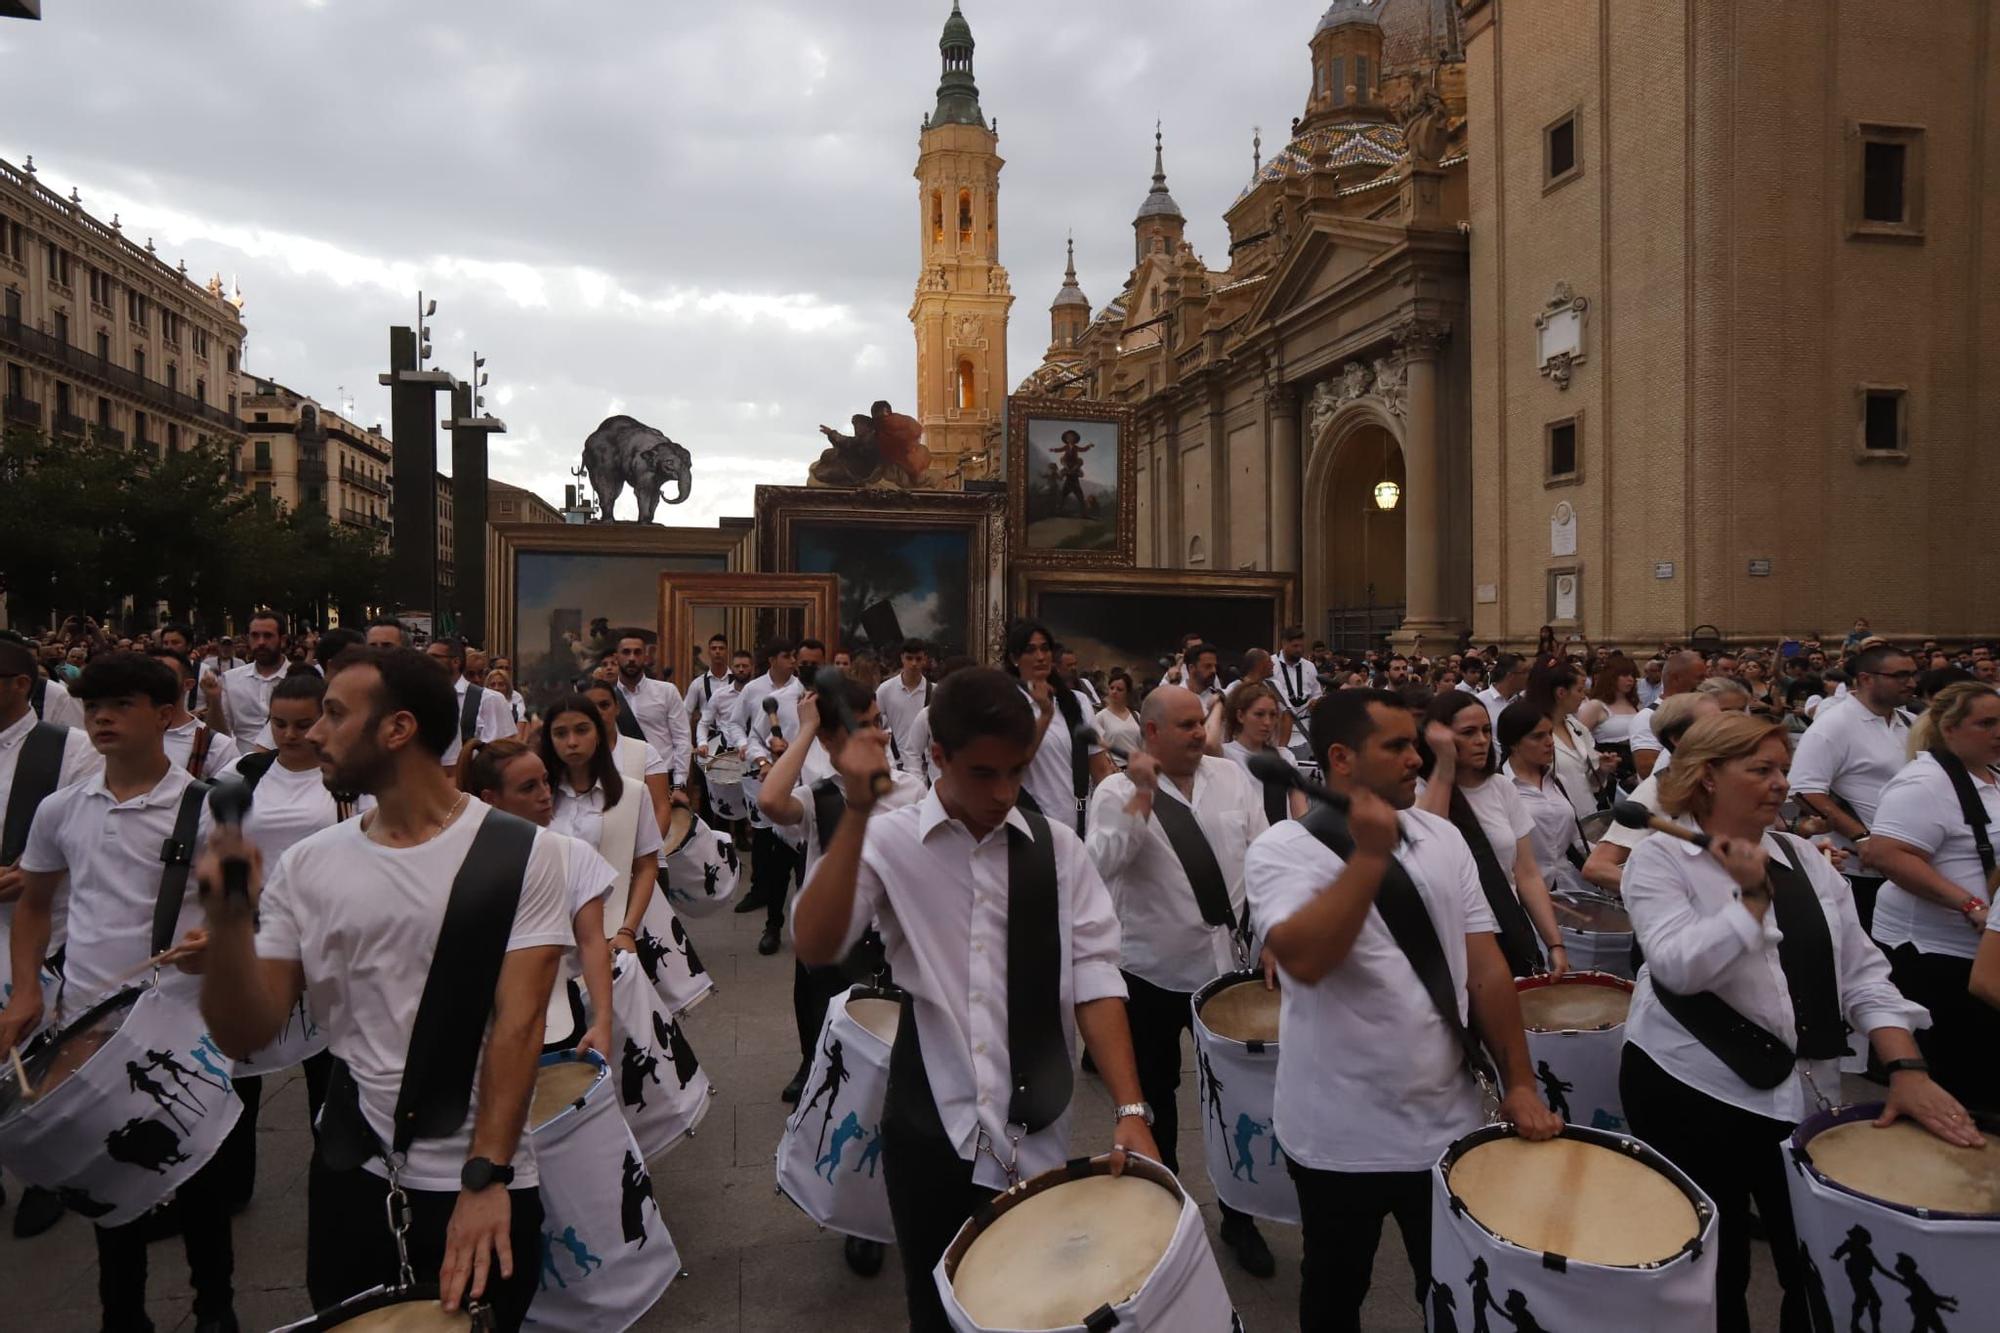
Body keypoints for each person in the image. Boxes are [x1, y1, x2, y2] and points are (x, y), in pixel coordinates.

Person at [194, 646, 570, 1331]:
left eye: (335, 714)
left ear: (397, 728)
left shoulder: (527, 852)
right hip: (350, 1168)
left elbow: (519, 1025)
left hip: (477, 1175)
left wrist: (486, 1178)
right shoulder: (309, 864)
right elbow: (246, 1032)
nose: (313, 732)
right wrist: (224, 925)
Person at [792, 667, 1158, 1333]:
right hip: (931, 1127)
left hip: (1037, 1125)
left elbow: (1097, 977)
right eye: (984, 773)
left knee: (1035, 1308)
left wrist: (1131, 1108)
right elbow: (816, 942)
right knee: (935, 1308)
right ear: (938, 756)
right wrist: (857, 806)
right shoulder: (892, 838)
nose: (1005, 791)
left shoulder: (1060, 850)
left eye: (1017, 771)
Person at [1617, 712, 1979, 1333]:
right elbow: (1678, 968)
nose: (1780, 783)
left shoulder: (1805, 861)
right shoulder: (1659, 861)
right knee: (1713, 1269)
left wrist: (1906, 1068)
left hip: (1804, 1094)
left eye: (1783, 769)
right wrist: (1750, 901)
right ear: (1706, 777)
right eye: (1760, 770)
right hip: (1692, 1087)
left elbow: (1862, 974)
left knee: (1811, 1264)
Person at [1245, 688, 1561, 1333]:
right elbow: (1305, 960)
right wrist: (1367, 858)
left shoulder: (1442, 838)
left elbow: (1486, 969)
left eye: (1416, 743)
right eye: (1396, 746)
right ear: (1340, 758)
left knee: (1451, 1290)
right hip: (1338, 1135)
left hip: (1446, 1123)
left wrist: (1520, 1083)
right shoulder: (1282, 850)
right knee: (1334, 1289)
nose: (1416, 758)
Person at [1, 651, 240, 1332]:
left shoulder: (206, 807)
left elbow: (249, 912)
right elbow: (37, 905)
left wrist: (213, 942)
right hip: (88, 1023)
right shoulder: (61, 808)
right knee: (109, 1177)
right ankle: (122, 1312)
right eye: (93, 705)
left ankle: (215, 1305)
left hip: (185, 1023)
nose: (102, 717)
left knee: (197, 1173)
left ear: (165, 715)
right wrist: (26, 993)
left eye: (121, 705)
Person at [1087, 684, 1277, 1275]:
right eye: (1187, 725)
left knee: (1233, 1100)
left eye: (1201, 722)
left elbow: (1267, 857)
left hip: (1229, 970)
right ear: (1151, 733)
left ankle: (1239, 1213)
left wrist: (1270, 936)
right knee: (1156, 1096)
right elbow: (1100, 864)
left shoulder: (1233, 779)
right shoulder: (1116, 791)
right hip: (1151, 971)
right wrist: (1143, 794)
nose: (1200, 733)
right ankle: (1165, 1204)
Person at [0, 635, 102, 1237]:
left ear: (20, 684)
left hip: (44, 923)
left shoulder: (68, 749)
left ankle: (46, 1174)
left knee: (38, 1055)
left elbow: (85, 824)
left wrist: (37, 872)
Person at [1861, 682, 2000, 1113]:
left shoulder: (1991, 776)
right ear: (1950, 729)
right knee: (1959, 1078)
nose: (1999, 731)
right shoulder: (1925, 782)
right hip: (1935, 956)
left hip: (1979, 952)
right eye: (1987, 723)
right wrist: (1969, 903)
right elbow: (1885, 853)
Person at [461, 739, 617, 1064]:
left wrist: (603, 1019)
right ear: (491, 799)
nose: (545, 794)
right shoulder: (459, 858)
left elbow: (592, 942)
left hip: (557, 1013)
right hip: (475, 1024)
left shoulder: (573, 852)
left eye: (546, 781)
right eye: (528, 788)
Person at [1415, 691, 1568, 979]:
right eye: (1468, 732)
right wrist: (1445, 762)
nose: (1482, 740)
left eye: (1486, 730)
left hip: (1507, 929)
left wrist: (1554, 942)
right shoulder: (1418, 793)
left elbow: (1526, 873)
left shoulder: (1500, 788)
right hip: (1453, 940)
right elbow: (1429, 844)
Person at [1791, 644, 1918, 935]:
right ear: (1865, 679)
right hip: (1857, 870)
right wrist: (1860, 837)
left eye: (1912, 675)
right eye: (1899, 676)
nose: (1910, 683)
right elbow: (1804, 790)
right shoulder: (1833, 725)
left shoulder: (1910, 722)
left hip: (1906, 865)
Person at [537, 694, 662, 958]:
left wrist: (627, 931)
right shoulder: (539, 798)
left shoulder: (633, 793)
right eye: (560, 733)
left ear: (598, 734)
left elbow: (646, 867)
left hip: (610, 932)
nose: (572, 742)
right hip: (548, 933)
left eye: (582, 730)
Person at [1581, 694, 1722, 894]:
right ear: (1677, 738)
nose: (1725, 731)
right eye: (1711, 725)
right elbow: (1597, 868)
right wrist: (1674, 896)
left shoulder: (1724, 781)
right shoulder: (1656, 789)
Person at [1002, 620, 1112, 835]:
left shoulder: (1076, 702)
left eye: (1045, 649)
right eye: (1030, 650)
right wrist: (1044, 716)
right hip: (1029, 823)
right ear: (1015, 659)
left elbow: (1099, 768)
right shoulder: (1006, 702)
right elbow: (1013, 763)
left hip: (1079, 821)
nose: (1040, 657)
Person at [737, 640, 809, 955]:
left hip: (816, 796)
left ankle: (809, 930)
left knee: (811, 873)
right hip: (785, 793)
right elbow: (754, 737)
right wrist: (766, 758)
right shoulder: (774, 700)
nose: (799, 665)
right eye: (795, 658)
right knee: (777, 869)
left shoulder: (831, 703)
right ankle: (773, 925)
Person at [1499, 701, 1590, 895]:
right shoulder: (1498, 787)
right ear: (1514, 743)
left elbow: (1576, 841)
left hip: (1569, 889)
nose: (1549, 742)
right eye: (1538, 737)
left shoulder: (1558, 781)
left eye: (1550, 733)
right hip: (1523, 896)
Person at [1524, 658, 1611, 823]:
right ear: (1561, 693)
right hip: (1553, 824)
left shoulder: (1576, 727)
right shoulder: (1530, 732)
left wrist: (1602, 770)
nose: (1583, 696)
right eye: (1579, 690)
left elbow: (1589, 781)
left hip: (1587, 820)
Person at [423, 636, 518, 772]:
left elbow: (504, 751)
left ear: (455, 661)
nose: (427, 662)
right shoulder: (425, 698)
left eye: (434, 657)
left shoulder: (490, 699)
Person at [1219, 680, 1308, 823]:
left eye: (1272, 715)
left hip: (1280, 839)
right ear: (1241, 716)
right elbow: (1210, 742)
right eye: (1259, 714)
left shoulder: (1284, 757)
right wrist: (1218, 700)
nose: (1267, 722)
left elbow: (1300, 811)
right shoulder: (1224, 755)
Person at [150, 646, 242, 780]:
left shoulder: (217, 746)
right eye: (146, 674)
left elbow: (231, 797)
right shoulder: (125, 735)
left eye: (164, 674)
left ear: (188, 684)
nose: (152, 681)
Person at [205, 611, 290, 750]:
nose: (261, 642)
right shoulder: (231, 679)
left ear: (283, 640)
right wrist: (214, 700)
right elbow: (219, 735)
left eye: (268, 636)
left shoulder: (299, 677)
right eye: (255, 636)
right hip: (241, 764)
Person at [1631, 650, 1706, 780]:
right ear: (1676, 678)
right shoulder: (1647, 717)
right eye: (1699, 678)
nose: (1705, 683)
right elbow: (1646, 769)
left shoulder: (1702, 711)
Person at [875, 637, 934, 782]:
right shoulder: (885, 690)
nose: (914, 664)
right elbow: (875, 725)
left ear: (924, 659)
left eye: (918, 659)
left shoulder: (935, 692)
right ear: (902, 658)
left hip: (928, 768)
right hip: (896, 765)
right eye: (909, 658)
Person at [1578, 652, 1643, 781]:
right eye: (1624, 675)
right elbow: (1577, 738)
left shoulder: (1635, 705)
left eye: (1632, 675)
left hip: (1635, 773)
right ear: (1612, 677)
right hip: (1611, 775)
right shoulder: (1595, 706)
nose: (1630, 679)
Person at [1270, 626, 1323, 749]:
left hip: (1304, 726)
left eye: (1301, 646)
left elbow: (1317, 693)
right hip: (1278, 727)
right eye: (1295, 646)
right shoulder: (1271, 664)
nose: (1299, 650)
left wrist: (1315, 702)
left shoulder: (1309, 666)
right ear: (1284, 644)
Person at [1092, 669, 1141, 767]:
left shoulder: (1136, 716)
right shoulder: (1101, 717)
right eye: (1112, 688)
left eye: (1119, 689)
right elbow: (1096, 747)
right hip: (1116, 769)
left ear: (1127, 693)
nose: (1114, 692)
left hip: (1136, 768)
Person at [1475, 653, 1529, 731]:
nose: (1528, 676)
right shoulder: (1480, 701)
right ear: (1510, 675)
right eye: (1524, 672)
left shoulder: (1523, 701)